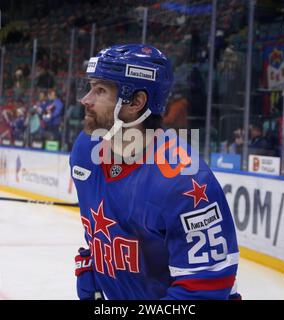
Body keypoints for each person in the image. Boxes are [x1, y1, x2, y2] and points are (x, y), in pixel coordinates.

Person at [70, 44, 240, 300]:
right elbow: (100, 233)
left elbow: (204, 288)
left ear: (136, 102)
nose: (86, 99)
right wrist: (93, 270)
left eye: (101, 90)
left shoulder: (183, 179)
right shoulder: (85, 151)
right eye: (90, 87)